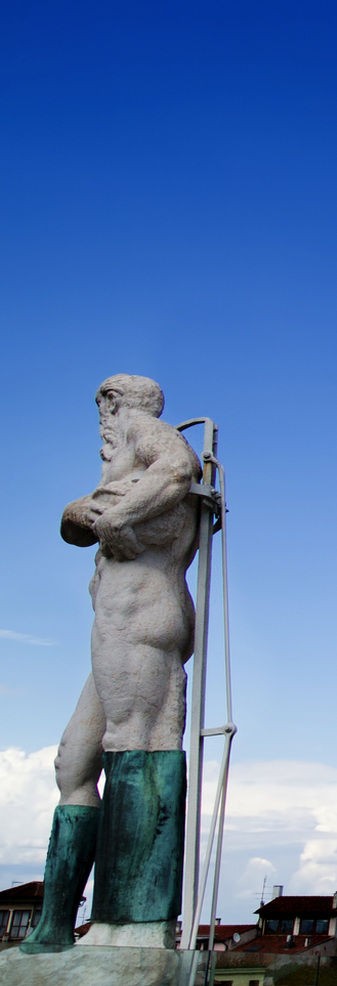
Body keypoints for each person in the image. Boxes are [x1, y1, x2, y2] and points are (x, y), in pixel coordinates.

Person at [24, 375, 202, 953]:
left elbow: (178, 467)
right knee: (73, 764)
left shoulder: (145, 436)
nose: (101, 420)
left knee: (139, 745)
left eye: (103, 406)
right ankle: (54, 926)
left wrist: (117, 517)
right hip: (114, 631)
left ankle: (131, 926)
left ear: (114, 404)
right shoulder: (124, 474)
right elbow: (73, 525)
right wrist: (96, 511)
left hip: (141, 622)